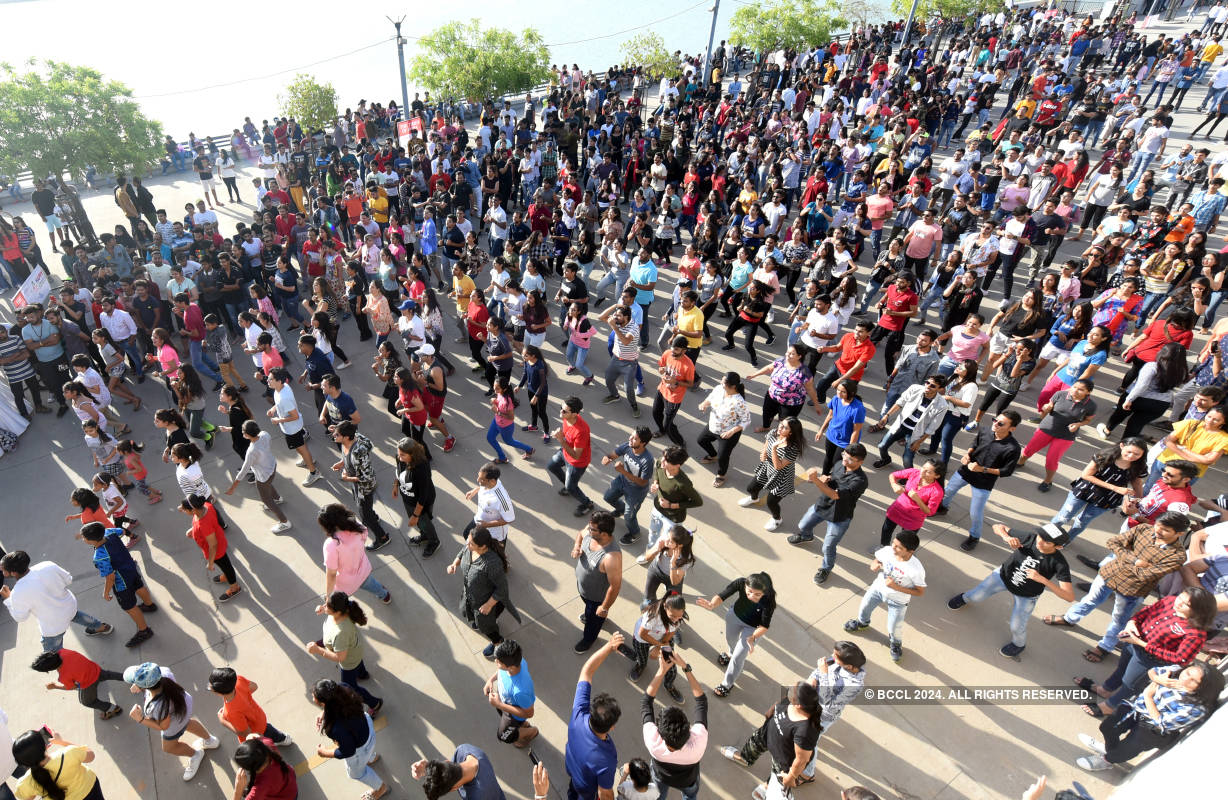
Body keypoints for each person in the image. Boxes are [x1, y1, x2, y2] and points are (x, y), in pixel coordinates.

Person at [1047, 511, 1190, 663]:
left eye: (1165, 530)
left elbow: (1147, 575)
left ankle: (1105, 647)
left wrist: (1123, 557)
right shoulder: (1144, 529)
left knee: (1119, 619)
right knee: (1090, 599)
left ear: (1179, 533)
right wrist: (1135, 561)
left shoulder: (1177, 556)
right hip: (1109, 574)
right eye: (1158, 526)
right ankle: (1070, 618)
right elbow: (1113, 542)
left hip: (1132, 589)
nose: (1158, 531)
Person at [1077, 587, 1217, 717]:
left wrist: (1142, 644)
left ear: (1199, 611)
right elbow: (1146, 612)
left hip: (1150, 659)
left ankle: (1109, 706)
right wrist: (1132, 623)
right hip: (1133, 643)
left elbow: (1180, 658)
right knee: (1121, 668)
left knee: (1129, 684)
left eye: (1186, 604)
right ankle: (1105, 689)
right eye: (1180, 597)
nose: (1179, 602)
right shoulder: (1169, 601)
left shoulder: (1196, 633)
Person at [948, 523, 1075, 658]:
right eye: (1040, 536)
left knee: (1016, 626)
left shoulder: (1060, 563)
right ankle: (964, 598)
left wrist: (1043, 580)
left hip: (1027, 595)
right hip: (1003, 577)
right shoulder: (1030, 538)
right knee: (975, 596)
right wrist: (1006, 537)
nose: (1040, 541)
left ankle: (1019, 645)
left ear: (1058, 546)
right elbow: (998, 527)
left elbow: (1069, 596)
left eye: (1047, 541)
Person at [1074, 662, 1225, 771]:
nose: (1185, 679)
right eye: (1188, 672)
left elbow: (1162, 723)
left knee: (1129, 747)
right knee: (1107, 727)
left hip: (1153, 729)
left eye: (1194, 681)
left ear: (1204, 688)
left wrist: (1148, 697)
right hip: (1136, 708)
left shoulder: (1196, 708)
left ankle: (1107, 761)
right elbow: (1153, 671)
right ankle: (1111, 751)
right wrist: (1158, 679)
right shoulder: (1176, 671)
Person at [934, 410, 1023, 551]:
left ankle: (974, 536)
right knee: (948, 491)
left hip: (984, 481)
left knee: (975, 513)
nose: (995, 424)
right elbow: (974, 443)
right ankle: (941, 508)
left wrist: (983, 469)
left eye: (1001, 423)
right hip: (966, 470)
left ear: (1012, 428)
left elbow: (1007, 471)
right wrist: (967, 454)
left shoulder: (1013, 448)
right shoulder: (986, 430)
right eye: (995, 420)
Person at [718, 680, 821, 800]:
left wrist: (791, 777)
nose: (789, 689)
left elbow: (802, 759)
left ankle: (768, 785)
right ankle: (745, 759)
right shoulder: (791, 698)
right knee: (751, 748)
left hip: (783, 759)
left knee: (778, 778)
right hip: (767, 734)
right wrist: (771, 710)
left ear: (798, 705)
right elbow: (780, 702)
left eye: (792, 691)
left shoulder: (805, 731)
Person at [123, 661, 220, 781]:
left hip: (175, 722)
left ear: (144, 687)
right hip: (184, 706)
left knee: (169, 748)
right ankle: (210, 740)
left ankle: (196, 755)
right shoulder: (163, 672)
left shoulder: (156, 706)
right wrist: (141, 685)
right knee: (187, 722)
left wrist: (140, 719)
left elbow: (163, 726)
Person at [0, 551, 112, 651]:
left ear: (13, 572)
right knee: (76, 615)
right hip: (69, 606)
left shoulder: (18, 592)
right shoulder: (47, 565)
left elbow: (21, 617)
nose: (1, 569)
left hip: (53, 626)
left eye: (3, 568)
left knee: (52, 654)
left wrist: (9, 600)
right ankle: (102, 627)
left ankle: (60, 666)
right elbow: (68, 579)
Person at [843, 530, 926, 663]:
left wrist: (896, 587)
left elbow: (920, 592)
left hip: (898, 601)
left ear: (910, 551)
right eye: (894, 543)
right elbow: (877, 560)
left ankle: (895, 644)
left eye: (898, 547)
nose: (893, 547)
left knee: (894, 627)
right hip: (877, 589)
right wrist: (874, 564)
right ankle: (862, 623)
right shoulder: (888, 551)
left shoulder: (916, 570)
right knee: (864, 608)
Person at [640, 648, 708, 800]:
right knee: (690, 795)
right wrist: (685, 667)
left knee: (658, 795)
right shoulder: (697, 746)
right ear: (689, 730)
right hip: (688, 780)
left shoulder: (653, 743)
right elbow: (701, 702)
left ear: (660, 734)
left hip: (660, 776)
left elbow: (646, 702)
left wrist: (662, 670)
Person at [1049, 438, 1149, 540]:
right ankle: (1046, 538)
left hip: (1107, 500)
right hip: (1084, 491)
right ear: (1122, 446)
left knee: (1081, 523)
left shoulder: (1140, 466)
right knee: (1064, 516)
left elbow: (1137, 482)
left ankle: (1065, 541)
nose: (1131, 456)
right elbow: (1086, 475)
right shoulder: (1104, 456)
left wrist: (1138, 500)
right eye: (1129, 452)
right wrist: (1115, 488)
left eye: (1137, 454)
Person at [695, 572, 775, 697]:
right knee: (730, 640)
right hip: (735, 616)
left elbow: (764, 626)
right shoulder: (740, 582)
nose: (751, 596)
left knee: (738, 657)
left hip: (753, 629)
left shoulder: (769, 600)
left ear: (764, 592)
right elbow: (723, 595)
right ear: (745, 585)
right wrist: (712, 604)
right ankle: (730, 652)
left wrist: (753, 637)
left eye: (757, 594)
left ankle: (727, 684)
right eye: (749, 591)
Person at [565, 631, 624, 800]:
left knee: (572, 791)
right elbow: (604, 793)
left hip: (572, 769)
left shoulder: (578, 715)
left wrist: (609, 646)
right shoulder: (606, 758)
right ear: (611, 726)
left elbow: (586, 671)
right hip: (587, 790)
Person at [78, 523, 155, 647]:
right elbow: (122, 531)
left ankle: (144, 631)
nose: (83, 539)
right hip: (131, 568)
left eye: (84, 537)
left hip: (122, 583)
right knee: (139, 586)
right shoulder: (109, 532)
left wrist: (106, 592)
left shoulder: (100, 556)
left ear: (91, 540)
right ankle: (149, 605)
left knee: (129, 607)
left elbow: (110, 577)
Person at [306, 590, 384, 714]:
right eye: (325, 603)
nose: (324, 606)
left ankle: (375, 704)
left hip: (349, 662)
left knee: (350, 687)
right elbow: (331, 628)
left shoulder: (341, 633)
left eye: (327, 606)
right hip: (355, 651)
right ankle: (362, 674)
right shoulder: (342, 612)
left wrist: (318, 650)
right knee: (358, 663)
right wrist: (324, 609)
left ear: (337, 612)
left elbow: (340, 657)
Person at [448, 528, 520, 659]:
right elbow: (462, 552)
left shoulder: (492, 563)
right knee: (464, 611)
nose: (467, 545)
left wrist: (488, 605)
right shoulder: (470, 548)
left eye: (471, 544)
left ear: (483, 547)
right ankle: (484, 622)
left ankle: (498, 642)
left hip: (485, 604)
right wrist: (454, 564)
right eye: (468, 542)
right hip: (470, 597)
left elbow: (502, 589)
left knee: (486, 627)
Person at [310, 679, 388, 800]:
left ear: (324, 704)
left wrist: (325, 753)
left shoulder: (335, 729)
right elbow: (336, 702)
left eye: (316, 698)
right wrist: (325, 712)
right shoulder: (343, 688)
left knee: (357, 773)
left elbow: (348, 751)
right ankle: (371, 757)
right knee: (366, 752)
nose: (312, 696)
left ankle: (380, 788)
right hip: (367, 728)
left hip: (360, 748)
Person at [800, 642, 867, 781]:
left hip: (823, 716)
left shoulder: (854, 686)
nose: (831, 657)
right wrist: (812, 679)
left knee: (811, 742)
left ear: (849, 666)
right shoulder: (835, 660)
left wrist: (824, 674)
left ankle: (808, 773)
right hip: (810, 703)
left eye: (835, 656)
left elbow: (829, 704)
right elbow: (818, 671)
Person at [1018, 380, 1098, 491]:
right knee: (1029, 449)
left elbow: (1088, 419)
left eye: (1081, 389)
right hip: (1047, 428)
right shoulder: (1060, 394)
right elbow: (1049, 405)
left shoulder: (1091, 405)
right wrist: (1047, 407)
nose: (1075, 390)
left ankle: (1048, 481)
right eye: (1074, 387)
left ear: (1088, 392)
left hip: (1066, 435)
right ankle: (1020, 463)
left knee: (1051, 460)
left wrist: (1078, 424)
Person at [316, 503, 392, 606]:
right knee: (372, 585)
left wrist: (329, 595)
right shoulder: (357, 526)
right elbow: (363, 539)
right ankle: (385, 596)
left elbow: (331, 574)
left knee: (341, 601)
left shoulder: (331, 544)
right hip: (363, 569)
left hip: (346, 583)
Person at [332, 420, 392, 551]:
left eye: (336, 434)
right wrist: (342, 463)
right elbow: (348, 453)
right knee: (365, 509)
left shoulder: (358, 454)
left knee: (365, 515)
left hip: (364, 488)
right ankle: (373, 516)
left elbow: (366, 478)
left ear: (346, 437)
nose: (334, 436)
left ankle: (382, 538)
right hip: (356, 486)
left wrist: (347, 478)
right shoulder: (347, 441)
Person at [871, 374, 951, 469]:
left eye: (932, 385)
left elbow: (933, 427)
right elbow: (900, 402)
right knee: (882, 446)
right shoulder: (914, 388)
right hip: (900, 426)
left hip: (915, 433)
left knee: (907, 458)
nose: (928, 386)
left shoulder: (942, 405)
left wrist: (919, 442)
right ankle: (886, 459)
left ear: (940, 389)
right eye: (927, 382)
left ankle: (909, 475)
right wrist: (886, 416)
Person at [225, 420, 292, 534]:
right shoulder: (265, 434)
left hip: (263, 476)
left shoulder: (251, 451)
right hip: (272, 467)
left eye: (243, 432)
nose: (242, 434)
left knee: (266, 499)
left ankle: (285, 522)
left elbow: (244, 470)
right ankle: (278, 498)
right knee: (268, 485)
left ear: (248, 435)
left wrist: (233, 487)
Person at [738, 416, 804, 531]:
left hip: (781, 476)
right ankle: (754, 498)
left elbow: (778, 466)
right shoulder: (773, 433)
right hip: (767, 468)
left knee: (771, 502)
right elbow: (766, 445)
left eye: (785, 427)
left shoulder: (793, 448)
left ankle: (777, 519)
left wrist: (774, 448)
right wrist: (763, 453)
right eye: (781, 424)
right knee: (751, 488)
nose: (780, 427)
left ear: (791, 432)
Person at [573, 511, 624, 653]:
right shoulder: (591, 532)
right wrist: (577, 546)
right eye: (590, 527)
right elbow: (580, 534)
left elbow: (615, 586)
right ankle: (592, 615)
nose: (588, 530)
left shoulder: (611, 557)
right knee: (590, 611)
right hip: (584, 590)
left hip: (596, 598)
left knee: (593, 620)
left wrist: (604, 608)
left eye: (592, 529)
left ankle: (589, 639)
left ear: (604, 534)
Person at [177, 494, 242, 602]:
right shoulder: (205, 505)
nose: (183, 511)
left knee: (226, 565)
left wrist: (211, 562)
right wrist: (193, 529)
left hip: (216, 550)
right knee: (224, 565)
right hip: (218, 538)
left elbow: (213, 545)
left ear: (193, 511)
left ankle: (235, 588)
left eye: (184, 509)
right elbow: (207, 522)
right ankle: (226, 576)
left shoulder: (204, 524)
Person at [11, 727, 106, 800]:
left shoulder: (25, 782)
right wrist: (62, 742)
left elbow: (27, 798)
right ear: (45, 745)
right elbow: (91, 756)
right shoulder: (69, 753)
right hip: (90, 789)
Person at [207, 665, 292, 746]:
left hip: (256, 732)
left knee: (263, 744)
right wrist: (243, 697)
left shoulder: (231, 712)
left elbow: (245, 732)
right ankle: (284, 739)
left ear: (218, 693)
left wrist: (223, 721)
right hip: (260, 717)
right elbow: (254, 686)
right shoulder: (238, 680)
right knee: (270, 730)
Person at [31, 648, 124, 719]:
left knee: (87, 701)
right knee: (108, 675)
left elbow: (72, 687)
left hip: (88, 683)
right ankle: (130, 678)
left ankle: (113, 709)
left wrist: (55, 686)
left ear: (50, 669)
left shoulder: (63, 676)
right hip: (95, 669)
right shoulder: (63, 651)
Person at [484, 640, 539, 749]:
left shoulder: (521, 691)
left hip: (513, 714)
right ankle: (522, 726)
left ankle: (532, 732)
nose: (496, 662)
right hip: (504, 701)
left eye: (499, 662)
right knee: (506, 720)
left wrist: (499, 705)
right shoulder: (518, 661)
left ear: (510, 667)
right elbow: (501, 671)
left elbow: (529, 713)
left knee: (504, 736)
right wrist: (491, 680)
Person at [878, 460, 946, 547]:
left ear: (937, 476)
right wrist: (894, 484)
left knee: (903, 543)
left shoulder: (937, 491)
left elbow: (930, 512)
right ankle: (883, 548)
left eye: (928, 472)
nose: (922, 471)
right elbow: (893, 475)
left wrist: (918, 500)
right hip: (897, 509)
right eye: (923, 467)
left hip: (913, 520)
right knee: (886, 530)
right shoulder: (914, 472)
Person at [394, 437, 441, 557]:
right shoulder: (400, 457)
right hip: (408, 499)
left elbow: (423, 495)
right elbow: (398, 471)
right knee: (420, 523)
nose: (400, 458)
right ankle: (424, 535)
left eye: (403, 455)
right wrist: (395, 485)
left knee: (424, 522)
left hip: (422, 502)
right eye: (399, 454)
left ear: (413, 454)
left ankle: (434, 541)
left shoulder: (421, 468)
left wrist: (416, 515)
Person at [549, 395, 595, 516]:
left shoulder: (582, 431)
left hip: (577, 463)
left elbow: (576, 456)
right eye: (561, 408)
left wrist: (561, 440)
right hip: (565, 452)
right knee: (552, 465)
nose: (561, 412)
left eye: (564, 411)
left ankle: (587, 504)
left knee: (571, 486)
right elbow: (566, 434)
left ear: (574, 414)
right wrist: (560, 435)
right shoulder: (566, 418)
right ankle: (570, 486)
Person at [652, 337, 696, 446]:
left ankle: (680, 443)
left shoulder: (688, 365)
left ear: (684, 350)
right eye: (672, 347)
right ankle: (661, 430)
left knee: (668, 424)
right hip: (662, 389)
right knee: (655, 412)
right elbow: (661, 367)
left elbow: (690, 384)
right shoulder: (667, 353)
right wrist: (661, 370)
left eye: (676, 349)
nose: (672, 350)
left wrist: (675, 381)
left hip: (674, 397)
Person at [231, 736, 298, 800]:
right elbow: (258, 736)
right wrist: (251, 736)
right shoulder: (267, 743)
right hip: (290, 782)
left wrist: (238, 792)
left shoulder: (261, 787)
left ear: (251, 768)